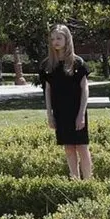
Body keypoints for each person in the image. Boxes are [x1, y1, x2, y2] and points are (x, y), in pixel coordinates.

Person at [41, 24, 93, 180]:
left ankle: (89, 181)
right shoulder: (47, 65)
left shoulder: (78, 63)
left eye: (59, 38)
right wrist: (49, 114)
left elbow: (84, 89)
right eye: (52, 39)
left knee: (82, 147)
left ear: (67, 39)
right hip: (60, 111)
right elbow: (48, 91)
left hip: (76, 110)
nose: (55, 42)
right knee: (68, 148)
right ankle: (75, 180)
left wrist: (81, 114)